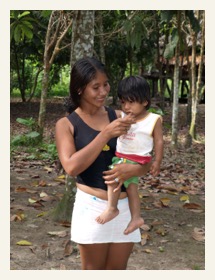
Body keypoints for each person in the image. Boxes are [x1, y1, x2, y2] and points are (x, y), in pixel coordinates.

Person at [55, 57, 151, 270]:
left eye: (105, 84)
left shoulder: (120, 116)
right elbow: (71, 167)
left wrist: (133, 169)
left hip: (125, 206)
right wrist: (105, 134)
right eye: (95, 87)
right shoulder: (67, 125)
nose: (103, 91)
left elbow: (145, 162)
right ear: (80, 89)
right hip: (91, 208)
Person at [96, 76, 164, 235]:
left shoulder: (153, 120)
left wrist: (157, 161)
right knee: (132, 189)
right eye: (123, 102)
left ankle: (112, 208)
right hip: (121, 156)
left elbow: (159, 141)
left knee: (112, 178)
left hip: (138, 159)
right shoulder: (122, 117)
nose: (126, 106)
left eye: (131, 102)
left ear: (145, 102)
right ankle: (136, 218)